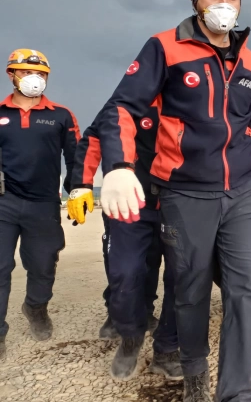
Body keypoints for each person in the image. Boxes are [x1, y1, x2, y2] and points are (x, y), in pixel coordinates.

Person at [94, 0, 251, 402]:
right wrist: (117, 167)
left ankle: (238, 393)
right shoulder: (164, 48)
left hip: (244, 191)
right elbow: (122, 108)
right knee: (190, 289)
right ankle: (194, 372)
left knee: (245, 290)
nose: (225, 3)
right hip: (186, 192)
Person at [67, 101, 180, 381]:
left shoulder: (195, 98)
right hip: (130, 200)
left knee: (183, 277)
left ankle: (167, 348)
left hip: (180, 202)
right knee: (126, 272)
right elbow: (95, 136)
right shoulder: (129, 100)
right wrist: (81, 184)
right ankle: (131, 336)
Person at [0, 49, 80, 362]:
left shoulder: (61, 115)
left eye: (41, 74)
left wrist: (77, 191)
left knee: (43, 265)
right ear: (11, 74)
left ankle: (36, 307)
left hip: (44, 203)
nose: (34, 78)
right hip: (4, 203)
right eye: (25, 72)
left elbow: (75, 157)